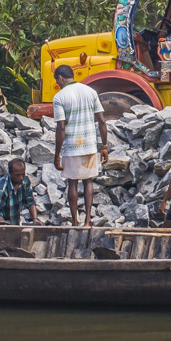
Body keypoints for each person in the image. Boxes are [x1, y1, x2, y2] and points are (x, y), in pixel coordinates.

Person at [52, 64, 109, 227]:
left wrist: (57, 154)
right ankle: (87, 221)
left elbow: (61, 127)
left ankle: (75, 221)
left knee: (72, 183)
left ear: (61, 78)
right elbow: (102, 121)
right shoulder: (91, 92)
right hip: (90, 144)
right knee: (88, 181)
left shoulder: (59, 97)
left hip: (71, 146)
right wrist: (104, 146)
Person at [0, 158, 39, 225]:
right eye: (17, 175)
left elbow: (30, 201)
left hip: (14, 222)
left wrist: (35, 219)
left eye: (23, 174)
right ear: (10, 173)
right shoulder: (2, 188)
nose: (21, 177)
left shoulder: (25, 181)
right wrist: (6, 228)